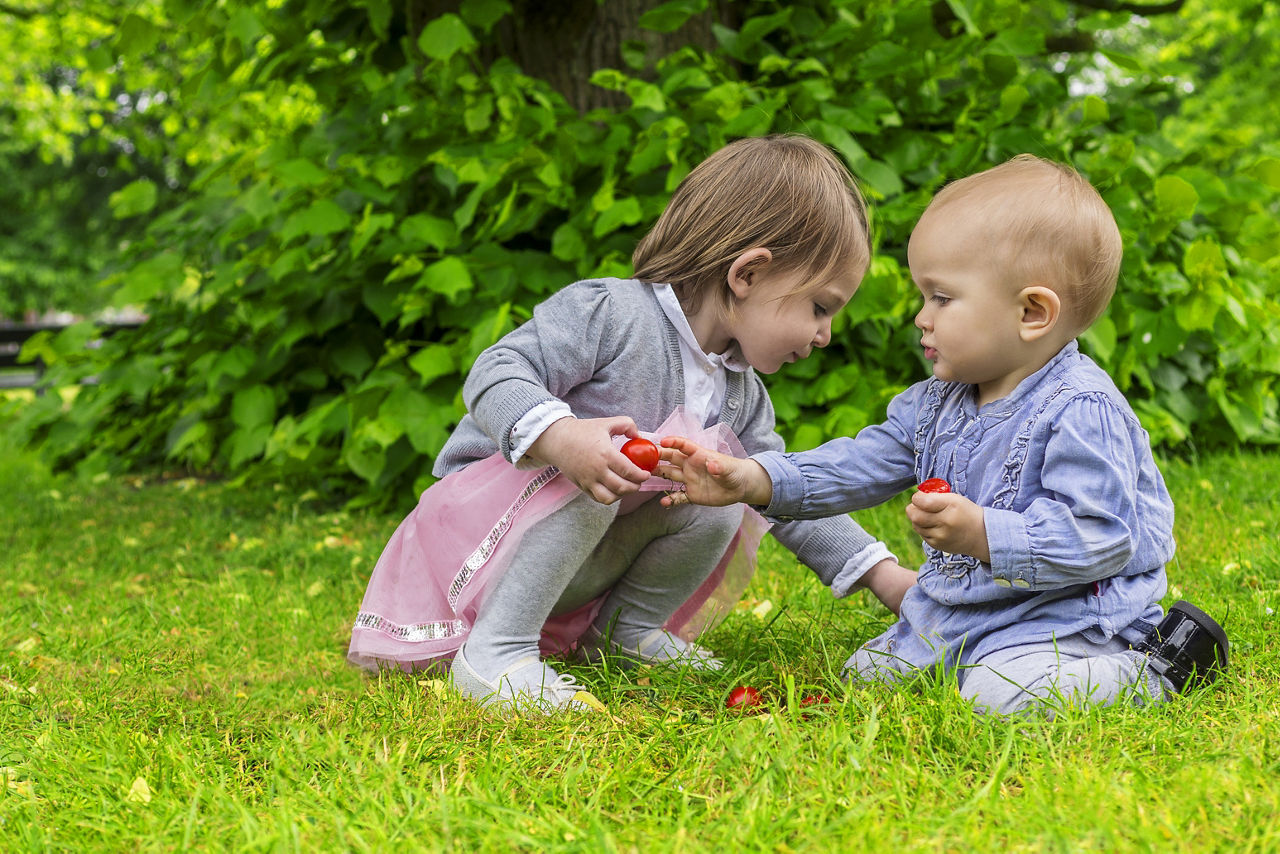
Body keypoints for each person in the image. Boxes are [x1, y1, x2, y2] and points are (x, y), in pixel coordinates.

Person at [347, 134, 918, 712]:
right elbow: (496, 370)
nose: (825, 335)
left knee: (726, 487)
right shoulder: (611, 314)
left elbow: (782, 490)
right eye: (820, 308)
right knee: (598, 474)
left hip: (577, 560)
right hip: (478, 542)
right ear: (747, 274)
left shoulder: (741, 391)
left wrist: (884, 576)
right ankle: (496, 652)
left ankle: (624, 633)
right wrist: (562, 439)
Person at [659, 154, 1228, 716]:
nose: (921, 318)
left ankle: (1157, 669)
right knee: (868, 678)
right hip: (963, 612)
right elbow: (860, 464)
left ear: (1032, 312)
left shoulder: (1081, 409)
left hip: (1064, 619)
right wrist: (756, 478)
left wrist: (985, 534)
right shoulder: (939, 402)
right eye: (923, 296)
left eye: (942, 298)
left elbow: (1101, 538)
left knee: (1000, 695)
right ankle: (968, 655)